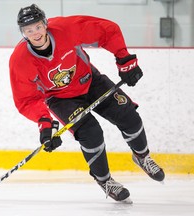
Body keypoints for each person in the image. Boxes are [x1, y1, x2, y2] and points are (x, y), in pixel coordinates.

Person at [9, 4, 165, 203]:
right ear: (22, 33)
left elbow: (107, 29)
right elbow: (26, 99)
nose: (35, 33)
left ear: (45, 24)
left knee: (129, 116)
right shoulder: (20, 60)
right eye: (28, 30)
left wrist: (124, 59)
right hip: (61, 99)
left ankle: (142, 156)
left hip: (90, 81)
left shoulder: (65, 28)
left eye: (37, 26)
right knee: (91, 133)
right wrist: (45, 124)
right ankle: (105, 180)